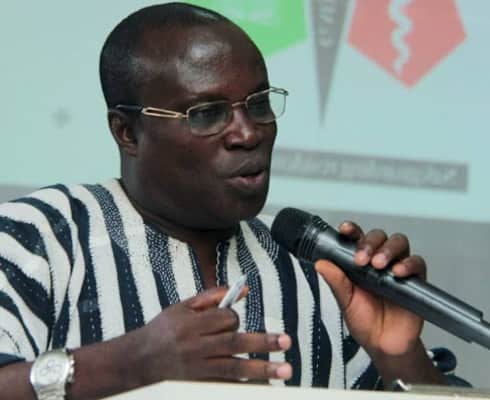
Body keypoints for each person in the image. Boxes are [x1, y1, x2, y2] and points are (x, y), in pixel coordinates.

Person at [0, 3, 456, 399]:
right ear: (127, 132)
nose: (248, 132)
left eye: (258, 104)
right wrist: (127, 365)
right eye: (207, 114)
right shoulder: (39, 238)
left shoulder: (316, 271)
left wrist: (398, 353)